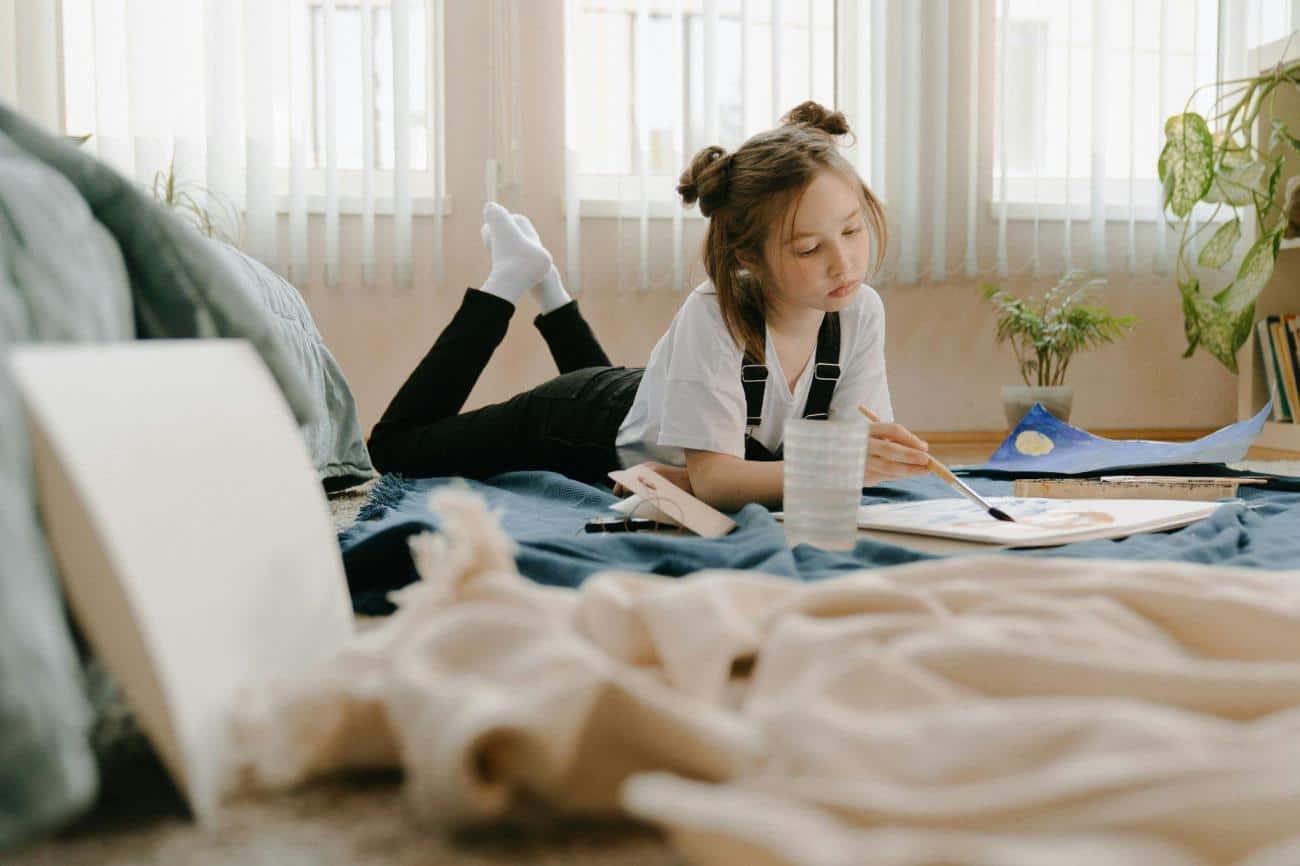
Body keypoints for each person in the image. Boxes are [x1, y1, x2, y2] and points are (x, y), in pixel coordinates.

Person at [367, 101, 932, 511]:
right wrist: (703, 480)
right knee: (397, 448)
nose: (844, 264)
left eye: (853, 231)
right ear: (749, 258)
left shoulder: (861, 313)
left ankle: (550, 288)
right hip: (578, 420)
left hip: (647, 401)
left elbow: (840, 448)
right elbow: (724, 481)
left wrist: (867, 454)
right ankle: (510, 280)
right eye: (808, 248)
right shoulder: (713, 314)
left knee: (634, 394)